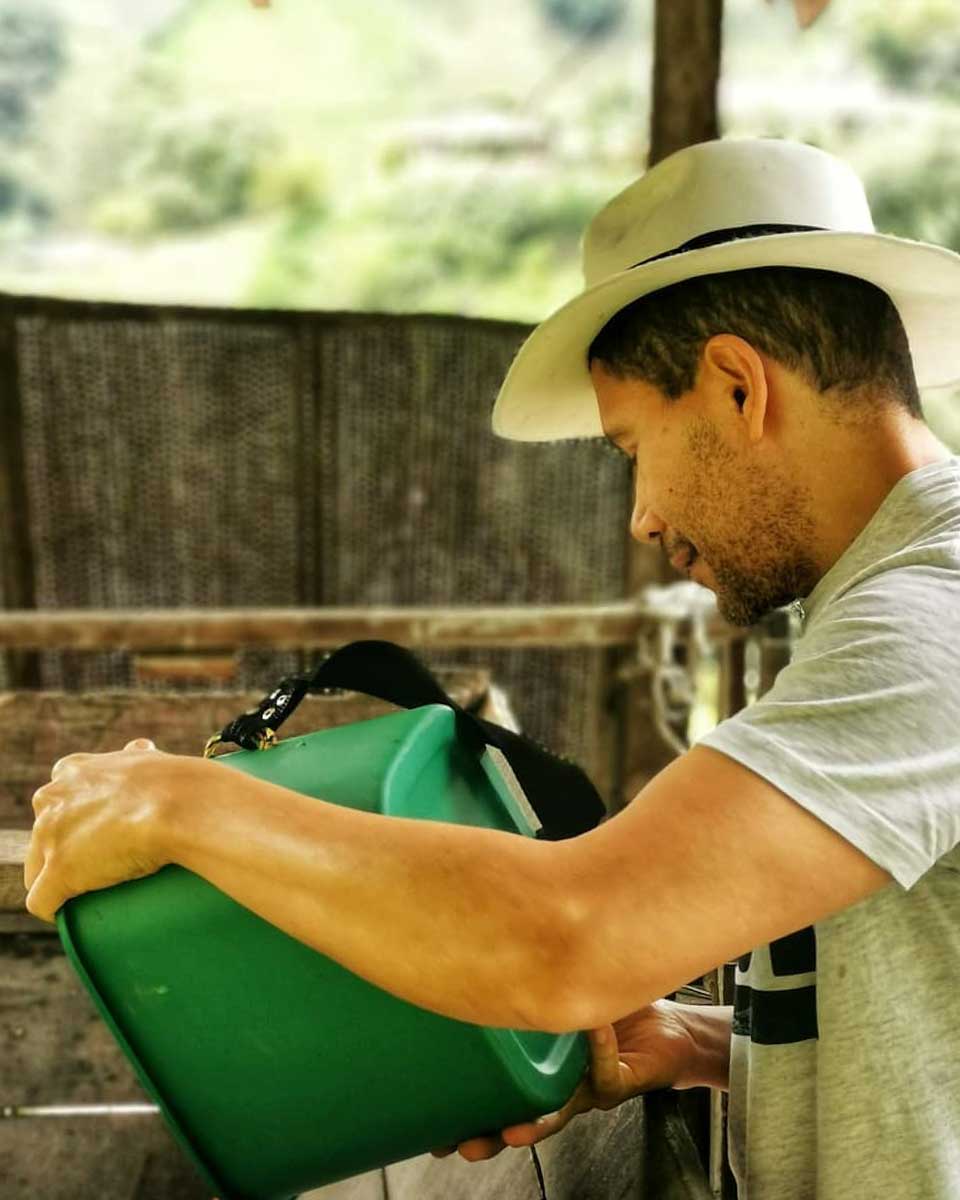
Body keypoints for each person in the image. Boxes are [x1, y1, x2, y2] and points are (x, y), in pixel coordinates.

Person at [24, 138, 960, 1199]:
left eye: (630, 449)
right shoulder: (878, 606)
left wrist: (181, 802)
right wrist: (704, 1045)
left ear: (738, 386)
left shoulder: (931, 615)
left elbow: (570, 933)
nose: (644, 517)